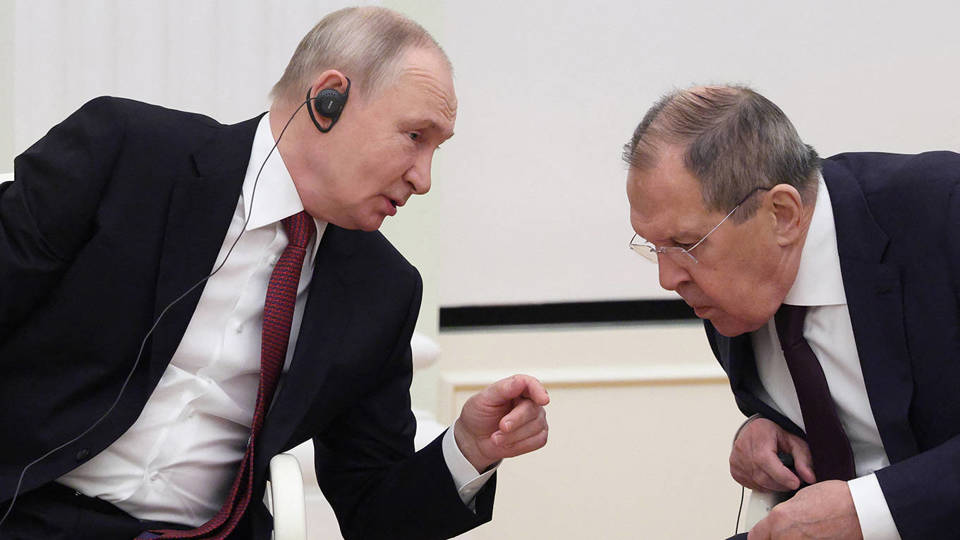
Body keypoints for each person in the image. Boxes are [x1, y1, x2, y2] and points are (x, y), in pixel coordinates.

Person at [0, 7, 549, 539]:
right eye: (414, 137)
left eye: (436, 149)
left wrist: (468, 449)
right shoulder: (128, 153)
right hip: (26, 512)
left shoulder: (384, 289)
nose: (423, 179)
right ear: (329, 99)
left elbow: (375, 515)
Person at [623, 85, 960, 539]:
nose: (667, 279)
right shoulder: (733, 288)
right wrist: (761, 428)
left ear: (782, 214)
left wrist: (868, 510)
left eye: (684, 244)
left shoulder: (943, 209)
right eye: (654, 247)